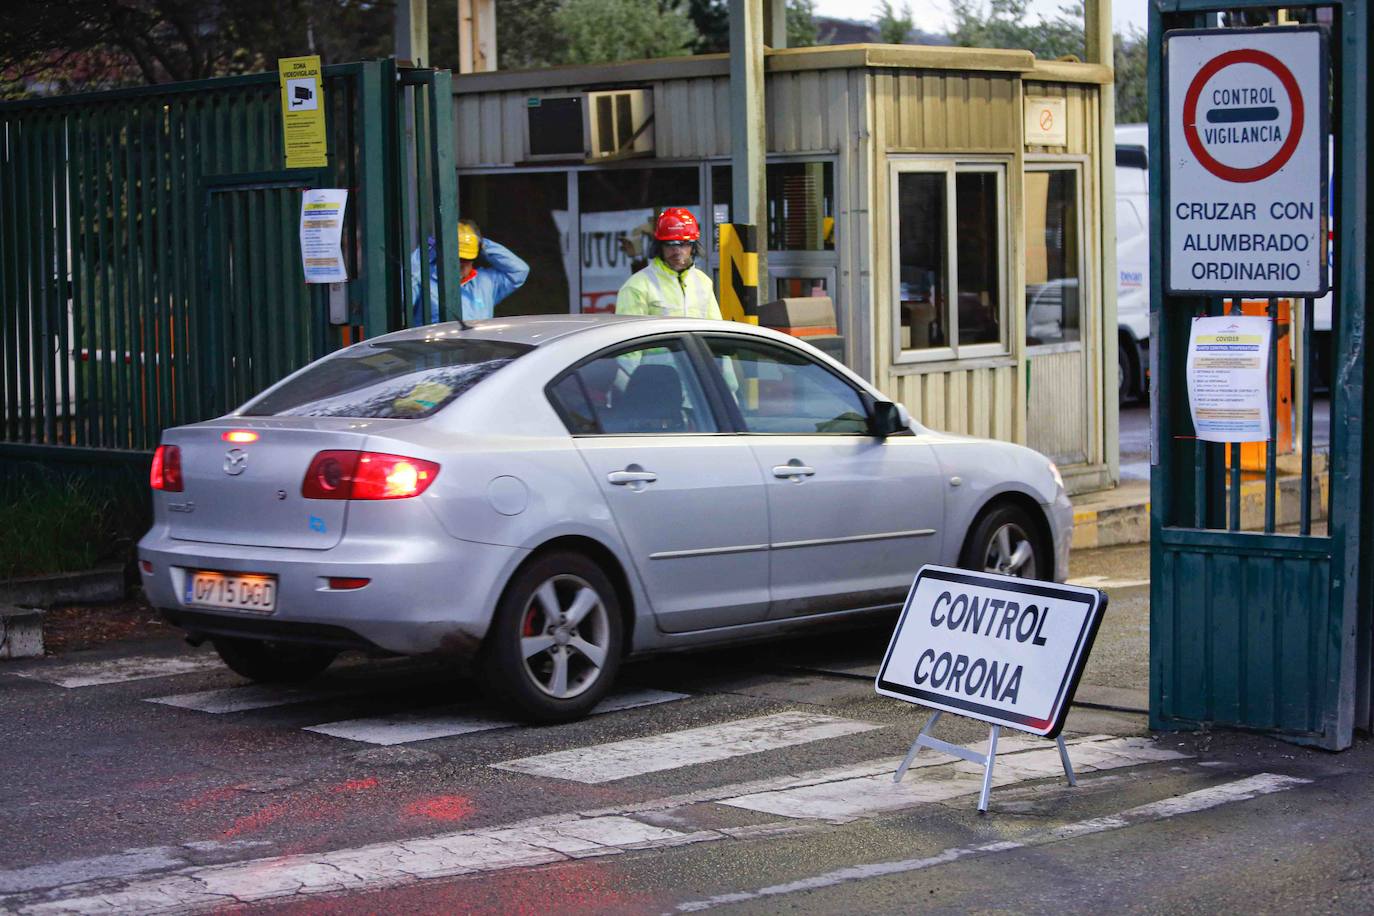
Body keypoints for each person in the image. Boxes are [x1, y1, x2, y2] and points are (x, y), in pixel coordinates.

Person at [410, 220, 529, 325]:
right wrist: (426, 253)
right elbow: (403, 298)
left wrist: (482, 244)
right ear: (443, 255)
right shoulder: (424, 280)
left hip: (478, 348)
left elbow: (519, 271)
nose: (462, 264)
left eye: (467, 259)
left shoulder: (484, 282)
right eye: (458, 258)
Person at [614, 208, 721, 320]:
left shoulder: (703, 281)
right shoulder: (636, 287)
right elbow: (631, 334)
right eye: (670, 244)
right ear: (659, 246)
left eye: (684, 244)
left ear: (693, 247)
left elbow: (716, 329)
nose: (677, 251)